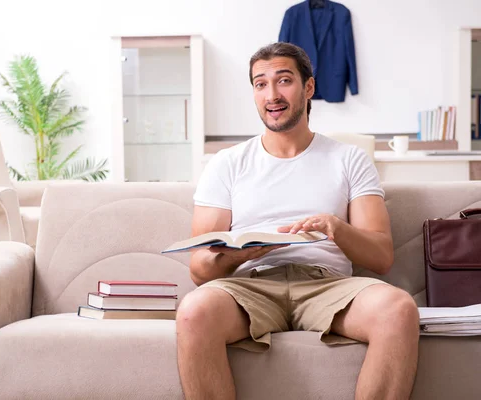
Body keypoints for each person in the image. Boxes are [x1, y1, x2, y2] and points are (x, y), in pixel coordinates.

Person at [175, 42, 419, 400]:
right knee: (194, 311)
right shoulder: (227, 163)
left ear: (308, 88)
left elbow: (381, 256)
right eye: (260, 84)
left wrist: (335, 228)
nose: (271, 94)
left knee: (398, 309)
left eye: (283, 80)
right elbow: (199, 269)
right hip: (250, 286)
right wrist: (241, 254)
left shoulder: (349, 159)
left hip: (327, 285)